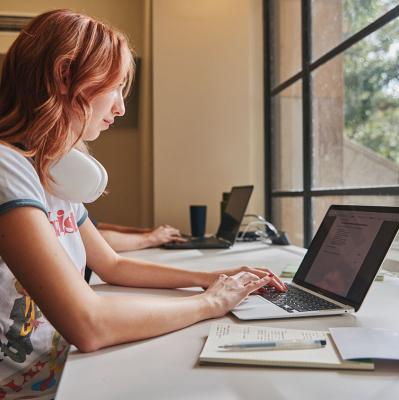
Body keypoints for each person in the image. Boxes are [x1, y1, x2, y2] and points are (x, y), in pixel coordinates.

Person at [0, 9, 287, 399]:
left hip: (60, 375)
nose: (119, 107)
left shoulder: (53, 173)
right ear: (66, 75)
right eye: (115, 87)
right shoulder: (7, 169)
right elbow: (90, 323)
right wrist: (210, 302)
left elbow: (111, 264)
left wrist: (214, 277)